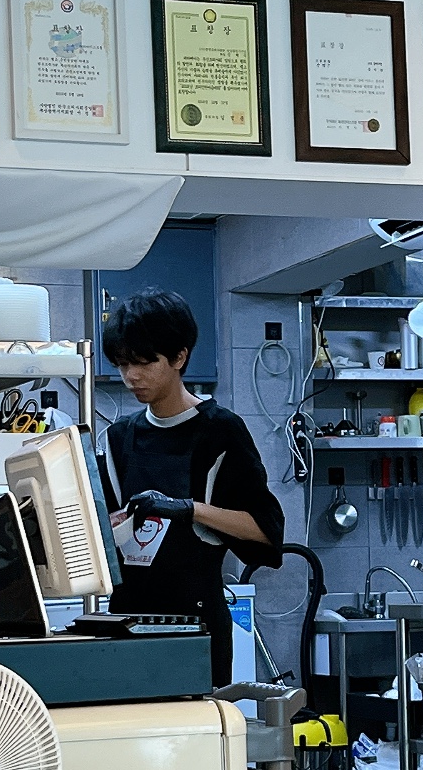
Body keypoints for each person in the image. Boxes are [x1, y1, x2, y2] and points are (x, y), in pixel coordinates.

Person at [97, 288, 285, 686]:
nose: (132, 376)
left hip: (197, 625)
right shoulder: (118, 438)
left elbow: (267, 531)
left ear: (179, 357)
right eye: (123, 364)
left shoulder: (220, 431)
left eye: (145, 362)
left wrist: (188, 509)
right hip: (126, 622)